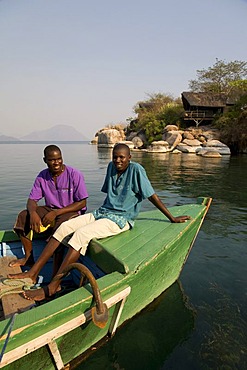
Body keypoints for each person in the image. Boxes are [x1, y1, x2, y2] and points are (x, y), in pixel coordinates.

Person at [9, 143, 190, 301]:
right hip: (103, 212)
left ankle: (54, 285)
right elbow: (108, 196)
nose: (118, 161)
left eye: (121, 158)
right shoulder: (111, 167)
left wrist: (171, 218)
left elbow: (152, 196)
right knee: (64, 227)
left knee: (82, 234)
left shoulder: (137, 170)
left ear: (129, 157)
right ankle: (33, 273)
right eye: (115, 157)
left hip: (121, 218)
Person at [9, 144, 88, 272]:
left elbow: (82, 203)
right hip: (51, 209)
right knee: (24, 216)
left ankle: (55, 273)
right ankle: (28, 258)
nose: (56, 163)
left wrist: (56, 213)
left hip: (71, 212)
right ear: (45, 160)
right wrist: (33, 213)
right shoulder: (42, 176)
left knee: (60, 228)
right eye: (52, 160)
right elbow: (32, 200)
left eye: (59, 159)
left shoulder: (74, 174)